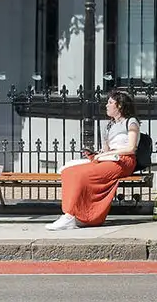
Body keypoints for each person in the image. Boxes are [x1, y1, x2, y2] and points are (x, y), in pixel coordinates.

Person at [47, 89, 140, 230]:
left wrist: (103, 156)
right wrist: (95, 154)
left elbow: (131, 148)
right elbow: (106, 150)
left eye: (110, 103)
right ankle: (72, 214)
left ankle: (72, 216)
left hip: (124, 161)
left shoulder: (131, 122)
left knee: (82, 175)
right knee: (69, 172)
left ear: (120, 106)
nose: (106, 106)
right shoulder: (109, 126)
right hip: (109, 159)